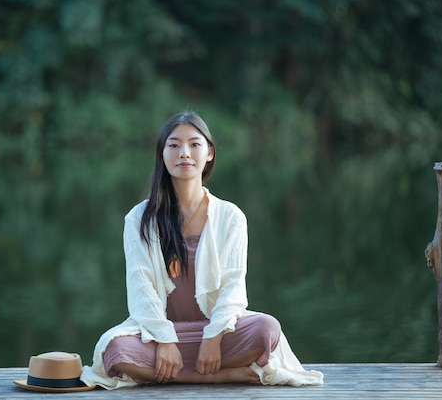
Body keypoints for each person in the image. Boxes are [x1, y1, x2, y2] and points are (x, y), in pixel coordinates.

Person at [81, 111, 323, 389]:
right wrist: (164, 339)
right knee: (114, 348)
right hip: (157, 333)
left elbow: (233, 288)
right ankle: (220, 375)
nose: (184, 153)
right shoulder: (139, 219)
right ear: (162, 154)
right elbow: (141, 288)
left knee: (267, 329)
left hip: (219, 332)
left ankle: (174, 372)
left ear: (209, 152)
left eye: (194, 144)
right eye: (174, 145)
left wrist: (213, 337)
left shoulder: (231, 216)